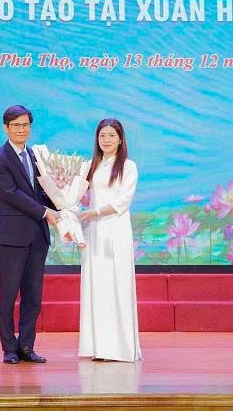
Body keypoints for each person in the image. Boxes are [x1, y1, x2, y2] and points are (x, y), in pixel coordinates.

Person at [0, 105, 60, 364]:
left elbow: (42, 192)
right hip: (12, 238)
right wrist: (45, 212)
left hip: (37, 237)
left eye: (25, 125)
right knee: (9, 294)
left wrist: (63, 202)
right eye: (16, 125)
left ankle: (27, 346)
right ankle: (9, 348)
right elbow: (11, 194)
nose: (21, 130)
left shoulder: (36, 155)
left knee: (33, 296)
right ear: (6, 128)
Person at [77, 118, 142, 362]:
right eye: (102, 135)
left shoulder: (128, 167)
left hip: (116, 229)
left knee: (117, 284)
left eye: (111, 136)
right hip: (94, 232)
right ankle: (98, 347)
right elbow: (75, 193)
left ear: (121, 139)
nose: (106, 140)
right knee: (97, 286)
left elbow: (122, 201)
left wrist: (94, 212)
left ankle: (119, 349)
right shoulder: (90, 166)